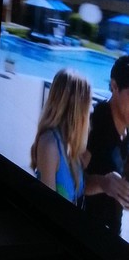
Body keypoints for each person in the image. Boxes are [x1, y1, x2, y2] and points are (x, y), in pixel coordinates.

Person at [30, 68, 91, 206]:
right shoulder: (50, 145)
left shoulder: (69, 144)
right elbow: (47, 206)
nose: (90, 110)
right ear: (76, 108)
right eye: (87, 105)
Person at [84, 55, 129, 235]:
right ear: (114, 86)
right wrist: (103, 183)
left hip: (112, 232)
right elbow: (72, 181)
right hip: (84, 229)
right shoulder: (94, 122)